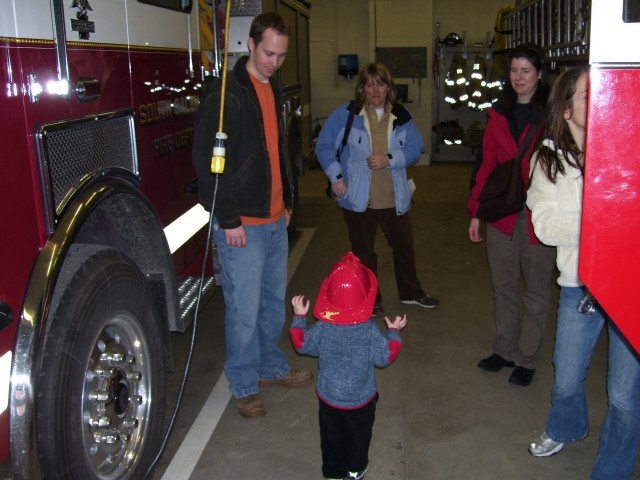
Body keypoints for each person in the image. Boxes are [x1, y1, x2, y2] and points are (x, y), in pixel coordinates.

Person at [192, 12, 313, 419]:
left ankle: (270, 366)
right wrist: (228, 219)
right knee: (243, 309)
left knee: (270, 304)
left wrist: (287, 202)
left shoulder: (272, 88)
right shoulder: (225, 92)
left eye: (280, 56)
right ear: (249, 43)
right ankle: (244, 384)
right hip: (242, 222)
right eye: (267, 53)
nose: (273, 63)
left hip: (275, 217)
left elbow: (276, 149)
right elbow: (210, 161)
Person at [527, 67, 640, 479]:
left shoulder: (630, 148)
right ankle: (566, 426)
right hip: (581, 285)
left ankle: (613, 470)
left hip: (632, 285)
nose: (601, 101)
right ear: (567, 108)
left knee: (625, 395)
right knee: (568, 377)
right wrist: (600, 219)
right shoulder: (548, 160)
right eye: (589, 95)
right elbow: (543, 225)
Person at [315, 62, 438, 316]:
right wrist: (336, 177)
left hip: (394, 197)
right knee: (363, 253)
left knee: (404, 246)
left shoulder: (401, 116)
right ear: (362, 88)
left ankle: (411, 293)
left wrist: (389, 159)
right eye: (370, 84)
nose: (375, 90)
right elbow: (325, 146)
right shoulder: (347, 115)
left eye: (380, 84)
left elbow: (415, 148)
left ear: (389, 87)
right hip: (359, 199)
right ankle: (371, 300)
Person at [467, 44, 556, 386]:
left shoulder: (552, 115)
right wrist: (477, 213)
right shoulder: (498, 113)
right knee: (503, 285)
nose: (519, 77)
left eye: (526, 71)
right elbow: (485, 165)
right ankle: (504, 350)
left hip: (538, 214)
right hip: (502, 211)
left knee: (535, 289)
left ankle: (528, 357)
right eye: (514, 71)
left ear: (539, 75)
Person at [289, 252, 407, 480]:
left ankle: (333, 473)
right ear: (366, 298)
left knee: (331, 438)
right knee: (359, 438)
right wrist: (393, 333)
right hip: (361, 401)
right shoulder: (369, 331)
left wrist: (299, 317)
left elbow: (301, 344)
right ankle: (354, 472)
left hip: (329, 399)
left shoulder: (323, 328)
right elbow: (386, 356)